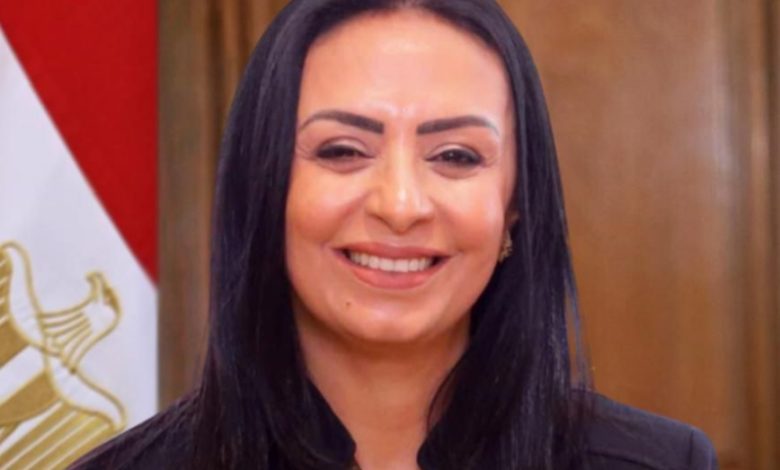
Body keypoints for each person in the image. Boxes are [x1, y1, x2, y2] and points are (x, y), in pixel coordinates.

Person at [72, 0, 718, 468]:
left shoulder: (662, 462)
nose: (401, 205)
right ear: (263, 186)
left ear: (514, 206)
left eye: (456, 156)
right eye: (343, 150)